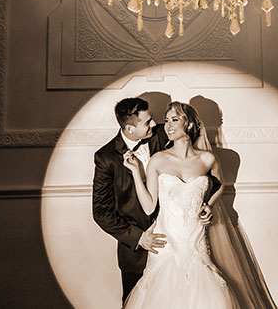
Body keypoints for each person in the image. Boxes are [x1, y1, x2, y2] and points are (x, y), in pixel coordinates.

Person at [122, 101, 239, 309]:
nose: (168, 126)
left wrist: (209, 205)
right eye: (166, 120)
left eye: (174, 120)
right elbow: (149, 207)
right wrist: (135, 172)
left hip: (196, 240)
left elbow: (219, 185)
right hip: (166, 242)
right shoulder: (158, 160)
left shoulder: (208, 159)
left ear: (190, 124)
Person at [92, 97, 172, 304]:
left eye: (152, 118)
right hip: (136, 254)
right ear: (129, 128)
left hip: (175, 240)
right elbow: (101, 212)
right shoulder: (106, 157)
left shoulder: (163, 134)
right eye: (147, 122)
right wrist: (139, 238)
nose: (154, 124)